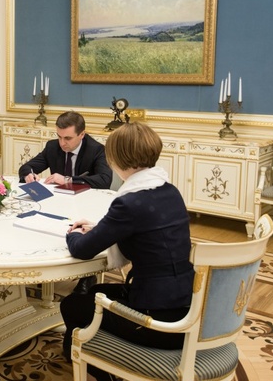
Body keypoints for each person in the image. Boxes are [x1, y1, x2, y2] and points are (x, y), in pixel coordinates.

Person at [59, 123, 194, 381]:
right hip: (187, 306)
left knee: (72, 305)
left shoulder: (129, 202)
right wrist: (101, 228)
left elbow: (82, 250)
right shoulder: (169, 190)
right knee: (95, 292)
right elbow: (144, 227)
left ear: (116, 158)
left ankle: (93, 365)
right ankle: (84, 359)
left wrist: (73, 232)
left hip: (158, 322)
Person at [18, 111, 112, 189]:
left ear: (82, 135)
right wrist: (28, 175)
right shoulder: (52, 147)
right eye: (59, 137)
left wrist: (68, 180)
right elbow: (27, 167)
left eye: (68, 138)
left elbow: (104, 180)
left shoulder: (96, 150)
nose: (62, 143)